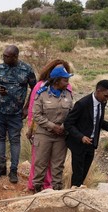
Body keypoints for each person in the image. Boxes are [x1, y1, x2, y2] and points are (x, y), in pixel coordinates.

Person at [0, 45, 37, 182]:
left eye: (7, 56)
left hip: (16, 113)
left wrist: (27, 108)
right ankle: (1, 167)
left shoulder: (26, 70)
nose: (4, 58)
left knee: (15, 141)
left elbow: (35, 90)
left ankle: (13, 170)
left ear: (15, 57)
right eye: (3, 55)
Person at [25, 59, 72, 190]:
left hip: (61, 136)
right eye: (65, 80)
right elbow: (37, 114)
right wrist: (52, 127)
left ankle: (56, 190)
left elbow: (71, 113)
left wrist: (63, 127)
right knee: (40, 164)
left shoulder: (68, 94)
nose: (67, 82)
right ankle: (37, 189)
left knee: (58, 165)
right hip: (44, 134)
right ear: (56, 80)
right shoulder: (42, 94)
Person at [65, 79, 108, 188]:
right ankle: (72, 196)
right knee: (77, 175)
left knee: (84, 173)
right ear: (98, 91)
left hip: (91, 144)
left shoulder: (102, 103)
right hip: (79, 144)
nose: (107, 98)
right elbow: (68, 123)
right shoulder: (82, 104)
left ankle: (78, 193)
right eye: (106, 96)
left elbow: (97, 121)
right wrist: (81, 137)